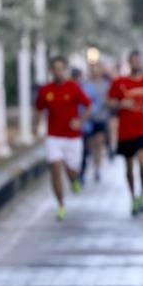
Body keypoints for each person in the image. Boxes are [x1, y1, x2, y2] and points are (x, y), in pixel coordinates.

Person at [36, 56, 91, 221]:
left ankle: (74, 179)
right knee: (55, 169)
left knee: (72, 170)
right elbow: (39, 109)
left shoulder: (73, 88)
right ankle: (61, 206)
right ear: (51, 71)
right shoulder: (46, 90)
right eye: (55, 69)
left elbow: (88, 105)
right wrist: (35, 125)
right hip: (54, 137)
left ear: (65, 70)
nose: (58, 72)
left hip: (73, 138)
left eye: (61, 69)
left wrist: (80, 121)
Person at [108, 50, 143, 216]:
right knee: (129, 167)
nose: (136, 64)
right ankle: (133, 197)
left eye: (138, 61)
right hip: (126, 131)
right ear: (130, 63)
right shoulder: (120, 82)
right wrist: (121, 103)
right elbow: (109, 101)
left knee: (142, 162)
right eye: (134, 61)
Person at [81, 63, 111, 183]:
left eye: (97, 70)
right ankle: (90, 163)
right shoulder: (85, 85)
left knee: (99, 143)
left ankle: (97, 168)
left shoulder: (106, 85)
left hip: (101, 118)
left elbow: (109, 99)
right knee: (89, 145)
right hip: (88, 120)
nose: (95, 72)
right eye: (93, 70)